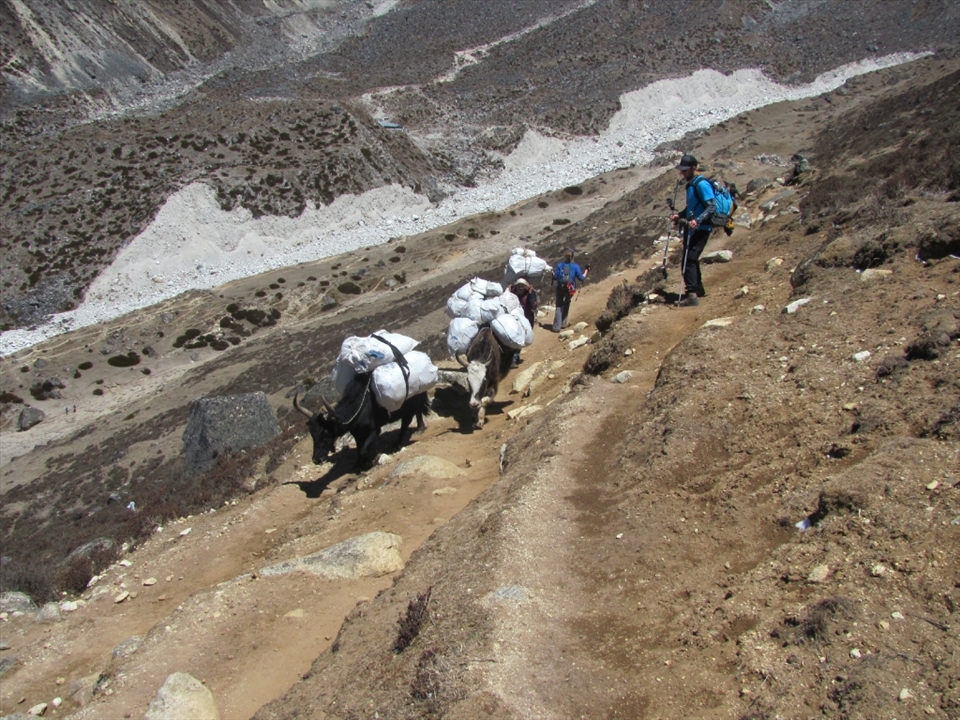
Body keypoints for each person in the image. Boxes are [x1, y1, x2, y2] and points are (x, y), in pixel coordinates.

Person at [669, 154, 715, 307]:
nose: (683, 173)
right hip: (694, 227)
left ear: (694, 168)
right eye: (682, 171)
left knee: (688, 261)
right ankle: (698, 289)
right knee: (691, 260)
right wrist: (679, 216)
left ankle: (692, 295)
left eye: (685, 170)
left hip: (701, 227)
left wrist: (698, 220)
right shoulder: (692, 184)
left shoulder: (701, 184)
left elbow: (711, 206)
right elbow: (691, 208)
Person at [551, 248, 588, 331]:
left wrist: (553, 273)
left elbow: (555, 277)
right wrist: (586, 271)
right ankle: (564, 323)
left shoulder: (560, 265)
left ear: (565, 256)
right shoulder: (575, 266)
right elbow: (581, 278)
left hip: (560, 288)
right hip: (570, 289)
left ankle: (557, 327)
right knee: (567, 303)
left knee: (559, 306)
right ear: (573, 256)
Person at [509, 277, 539, 367]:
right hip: (514, 320)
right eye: (519, 286)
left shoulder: (530, 293)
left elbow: (534, 306)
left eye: (523, 286)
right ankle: (513, 358)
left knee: (521, 339)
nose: (521, 288)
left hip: (526, 319)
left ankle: (514, 359)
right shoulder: (512, 292)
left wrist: (530, 295)